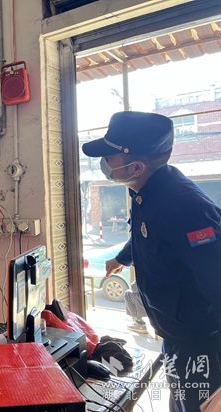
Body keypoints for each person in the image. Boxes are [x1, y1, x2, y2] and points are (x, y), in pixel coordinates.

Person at [83, 111, 221, 412]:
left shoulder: (187, 208)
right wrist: (121, 258)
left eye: (110, 156)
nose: (104, 162)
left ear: (136, 167)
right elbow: (148, 234)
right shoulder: (148, 190)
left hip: (203, 347)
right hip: (177, 337)